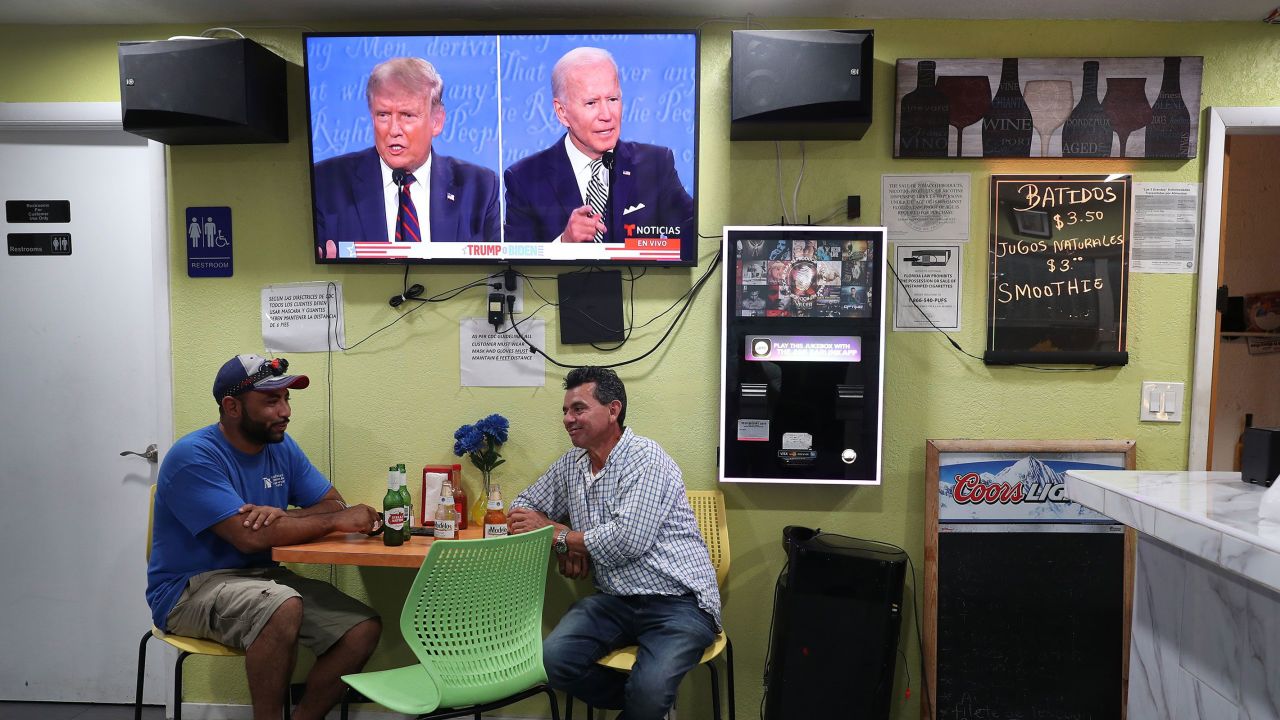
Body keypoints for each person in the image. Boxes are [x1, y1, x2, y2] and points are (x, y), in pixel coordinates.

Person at [146, 354, 383, 720]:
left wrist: (288, 517)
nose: (285, 411)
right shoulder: (193, 456)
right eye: (272, 401)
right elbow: (250, 539)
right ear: (232, 406)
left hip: (264, 581)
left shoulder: (280, 446)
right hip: (188, 590)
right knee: (282, 605)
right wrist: (335, 519)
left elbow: (333, 501)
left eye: (287, 399)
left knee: (361, 629)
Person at [507, 367, 720, 720]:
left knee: (649, 691)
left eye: (578, 409)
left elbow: (626, 540)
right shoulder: (571, 465)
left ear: (613, 409)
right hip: (614, 601)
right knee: (554, 661)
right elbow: (521, 507)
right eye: (564, 411)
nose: (568, 420)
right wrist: (563, 543)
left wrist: (557, 533)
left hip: (678, 602)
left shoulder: (646, 458)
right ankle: (652, 706)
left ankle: (651, 702)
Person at [313, 57, 500, 258]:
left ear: (436, 121)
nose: (393, 130)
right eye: (383, 115)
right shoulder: (326, 183)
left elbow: (493, 271)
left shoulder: (479, 187)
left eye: (407, 115)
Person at [503, 47, 694, 244]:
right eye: (591, 103)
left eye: (612, 99)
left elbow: (693, 233)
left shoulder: (655, 165)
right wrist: (564, 243)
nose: (606, 115)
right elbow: (518, 260)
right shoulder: (524, 178)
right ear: (562, 112)